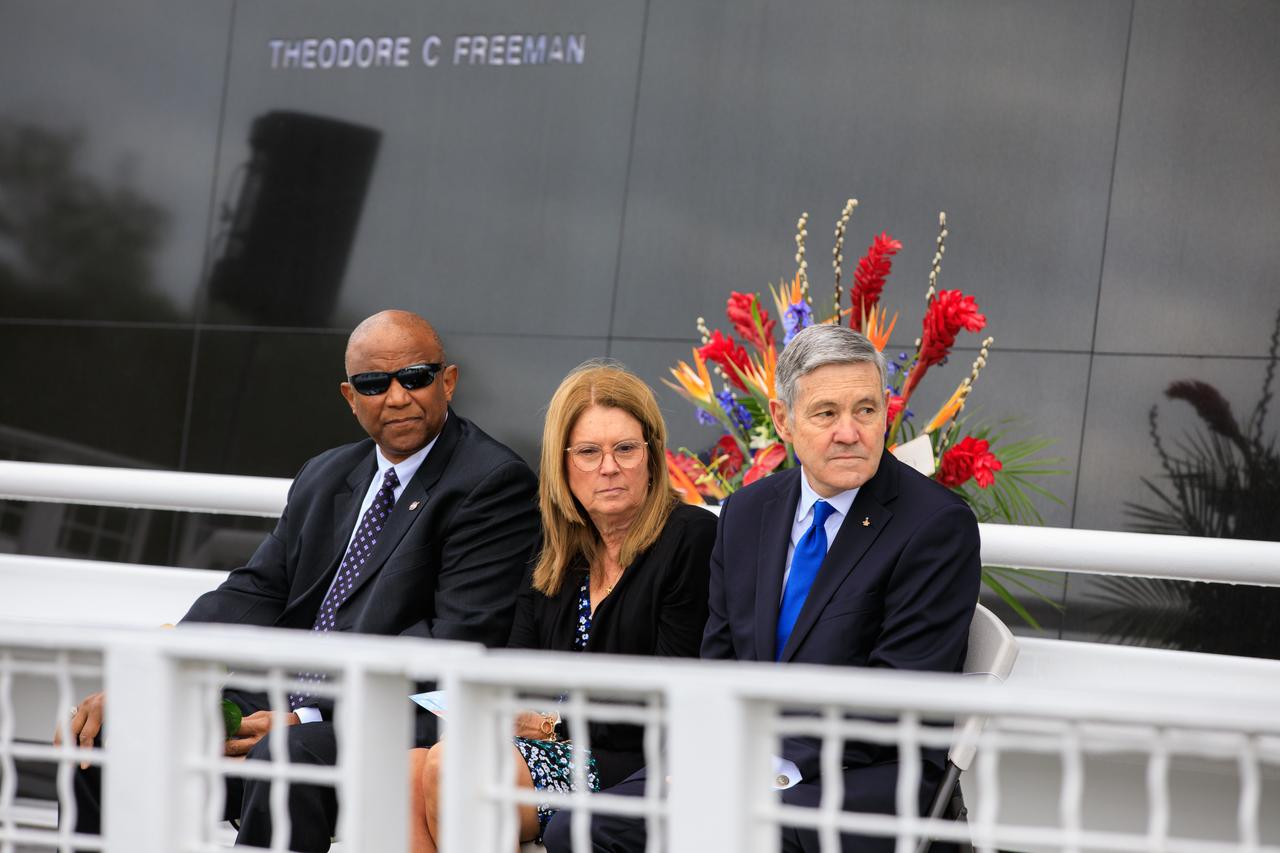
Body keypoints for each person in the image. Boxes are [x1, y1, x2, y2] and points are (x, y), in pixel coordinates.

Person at [57, 309, 540, 851]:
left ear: (447, 381)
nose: (398, 397)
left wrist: (306, 714)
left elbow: (454, 643)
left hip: (396, 713)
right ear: (350, 396)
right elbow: (256, 589)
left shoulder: (491, 483)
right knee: (108, 732)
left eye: (416, 376)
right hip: (285, 695)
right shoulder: (325, 474)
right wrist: (152, 671)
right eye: (374, 384)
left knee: (288, 755)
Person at [546, 324, 981, 853]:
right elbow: (718, 663)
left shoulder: (933, 524)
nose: (850, 432)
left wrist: (765, 769)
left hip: (865, 772)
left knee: (737, 832)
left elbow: (897, 699)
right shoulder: (748, 511)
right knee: (581, 829)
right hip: (740, 763)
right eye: (826, 413)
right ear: (783, 420)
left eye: (865, 410)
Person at [407, 362, 716, 852]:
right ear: (562, 463)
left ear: (652, 456)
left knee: (454, 766)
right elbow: (516, 671)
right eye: (589, 452)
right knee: (407, 772)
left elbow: (666, 696)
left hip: (634, 759)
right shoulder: (556, 552)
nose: (609, 467)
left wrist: (550, 724)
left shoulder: (690, 538)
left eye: (626, 449)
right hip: (550, 748)